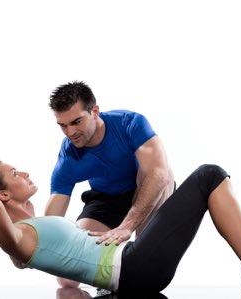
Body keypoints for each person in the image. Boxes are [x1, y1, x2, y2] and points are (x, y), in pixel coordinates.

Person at [0, 159, 241, 297]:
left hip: (130, 265)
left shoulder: (35, 227)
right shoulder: (19, 239)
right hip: (134, 268)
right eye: (15, 174)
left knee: (164, 180)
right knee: (209, 175)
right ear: (3, 193)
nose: (24, 172)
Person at [45, 81, 174, 246]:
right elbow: (52, 216)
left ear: (95, 111)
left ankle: (143, 250)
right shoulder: (69, 156)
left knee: (159, 173)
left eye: (77, 122)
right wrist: (26, 246)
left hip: (144, 188)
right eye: (63, 126)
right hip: (106, 200)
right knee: (79, 247)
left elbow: (160, 175)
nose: (70, 132)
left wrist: (126, 227)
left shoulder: (129, 123)